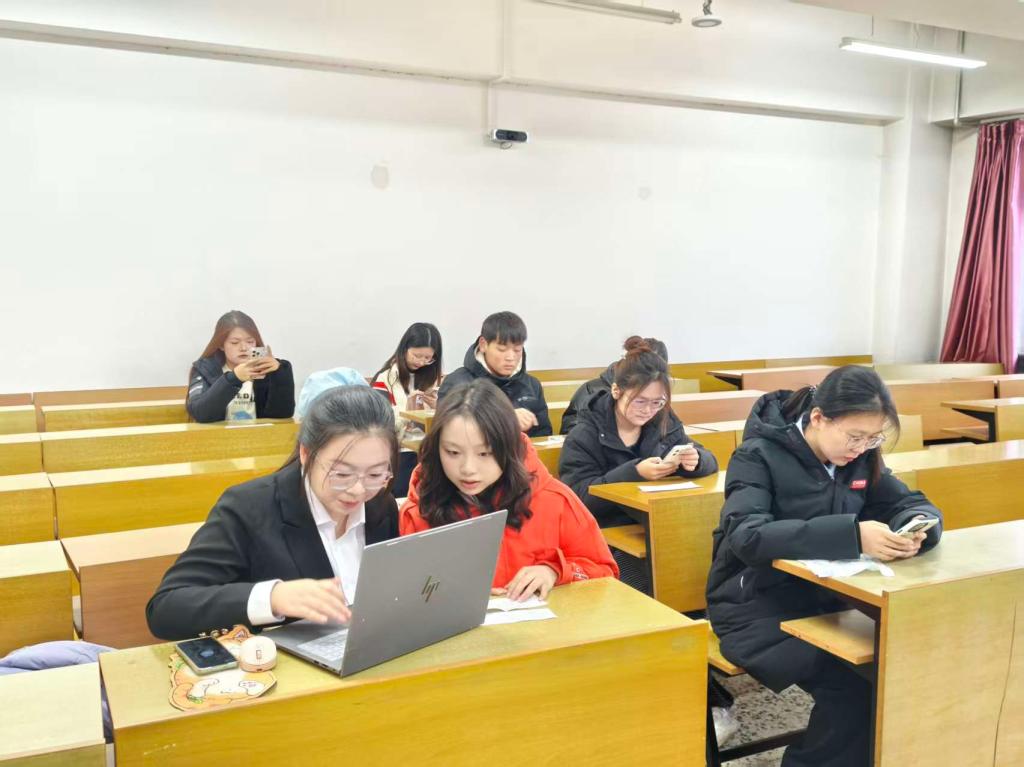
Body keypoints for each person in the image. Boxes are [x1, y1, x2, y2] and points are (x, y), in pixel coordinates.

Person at [705, 365, 943, 767]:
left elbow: (908, 502)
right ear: (818, 418)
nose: (862, 447)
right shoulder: (756, 455)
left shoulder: (859, 458)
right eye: (855, 436)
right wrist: (853, 535)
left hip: (830, 600)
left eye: (873, 438)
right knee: (858, 693)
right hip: (756, 606)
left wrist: (917, 526)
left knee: (904, 673)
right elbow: (747, 536)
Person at [147, 385, 400, 640]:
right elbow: (166, 609)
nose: (358, 490)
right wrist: (272, 598)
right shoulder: (249, 508)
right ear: (305, 453)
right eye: (342, 474)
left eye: (375, 474)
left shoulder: (381, 505)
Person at [401, 378, 617, 601]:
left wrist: (554, 571)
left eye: (485, 453)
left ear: (509, 447)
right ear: (437, 449)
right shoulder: (421, 508)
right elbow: (408, 595)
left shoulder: (553, 500)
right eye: (453, 453)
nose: (468, 469)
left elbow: (604, 572)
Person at [559, 337, 718, 530]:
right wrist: (634, 473)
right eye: (640, 401)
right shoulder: (584, 435)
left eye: (657, 402)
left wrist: (696, 461)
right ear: (616, 391)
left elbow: (710, 461)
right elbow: (577, 497)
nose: (648, 410)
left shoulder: (664, 421)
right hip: (608, 529)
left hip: (658, 519)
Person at [437, 311, 551, 437]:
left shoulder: (532, 385)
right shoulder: (457, 382)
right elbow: (449, 433)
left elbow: (543, 435)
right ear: (483, 345)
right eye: (502, 349)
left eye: (517, 350)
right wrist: (506, 419)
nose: (510, 357)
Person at [371, 322, 444, 496]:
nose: (422, 362)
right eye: (417, 355)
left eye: (428, 358)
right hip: (400, 452)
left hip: (429, 450)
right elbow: (377, 424)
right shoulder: (385, 380)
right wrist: (407, 413)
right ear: (404, 349)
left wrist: (438, 408)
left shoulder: (434, 381)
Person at [186, 310, 294, 423]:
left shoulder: (267, 368)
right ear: (221, 345)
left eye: (250, 341)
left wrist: (280, 374)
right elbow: (200, 413)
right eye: (235, 342)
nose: (244, 348)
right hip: (219, 434)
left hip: (260, 433)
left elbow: (283, 414)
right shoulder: (205, 369)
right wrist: (234, 378)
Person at [560, 336, 669, 435]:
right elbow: (572, 432)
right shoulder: (591, 391)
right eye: (640, 401)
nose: (647, 410)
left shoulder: (658, 397)